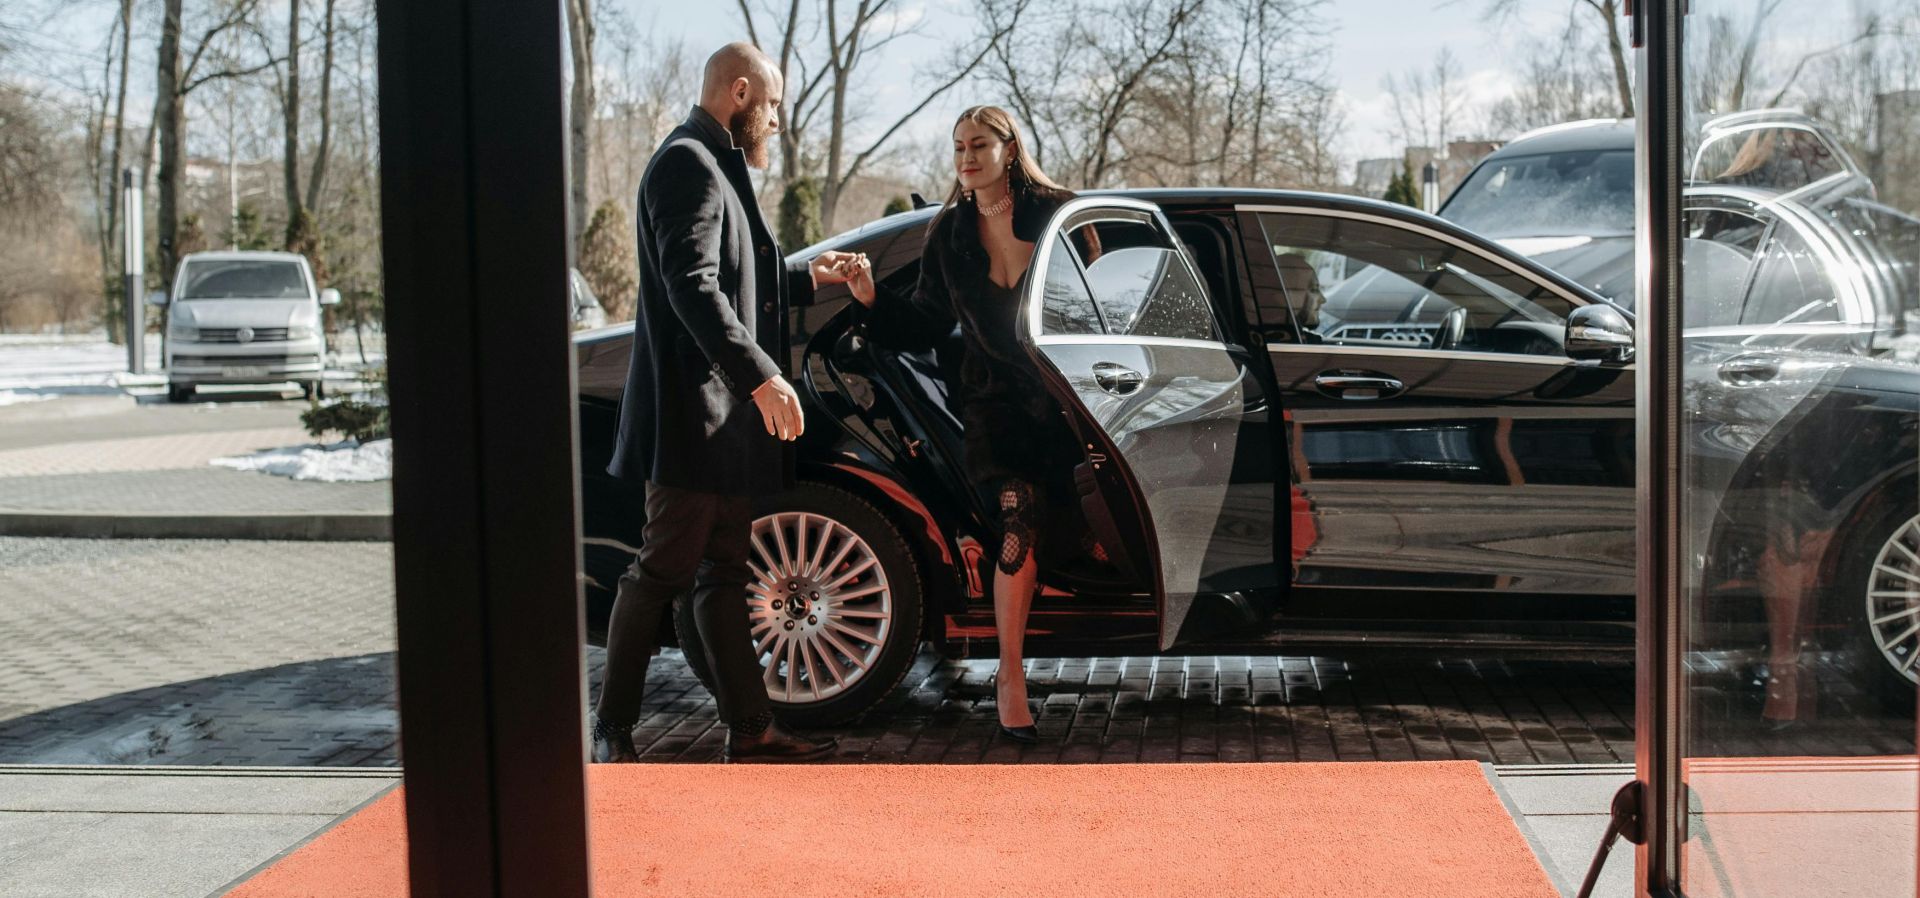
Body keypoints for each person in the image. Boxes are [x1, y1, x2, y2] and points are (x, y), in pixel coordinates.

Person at [591, 42, 862, 763]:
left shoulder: (711, 163)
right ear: (739, 94)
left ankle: (751, 729)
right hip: (691, 419)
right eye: (771, 105)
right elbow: (693, 287)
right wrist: (762, 377)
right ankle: (611, 729)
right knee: (660, 574)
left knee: (722, 575)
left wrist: (813, 277)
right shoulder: (688, 163)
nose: (775, 121)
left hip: (721, 424)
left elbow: (746, 278)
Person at [843, 105, 1098, 744]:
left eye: (979, 145)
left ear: (1010, 149)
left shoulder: (1063, 214)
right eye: (958, 147)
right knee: (1018, 518)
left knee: (1080, 520)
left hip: (1066, 402)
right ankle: (1010, 675)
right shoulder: (949, 232)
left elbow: (1106, 308)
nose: (966, 159)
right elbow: (927, 321)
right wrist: (873, 299)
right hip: (994, 408)